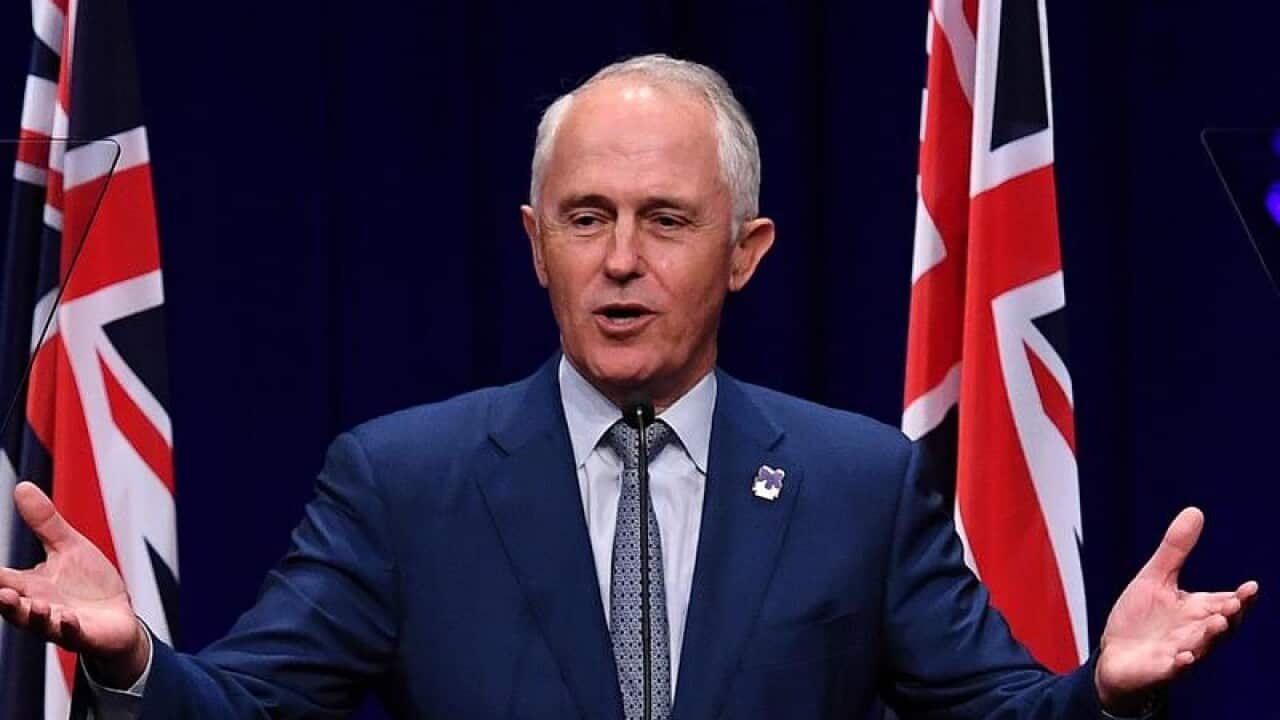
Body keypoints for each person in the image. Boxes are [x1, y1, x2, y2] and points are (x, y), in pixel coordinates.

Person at [0, 54, 1258, 719]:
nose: (617, 261)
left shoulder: (857, 484)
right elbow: (248, 707)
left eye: (664, 220)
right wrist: (131, 662)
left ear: (744, 253)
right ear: (533, 240)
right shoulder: (402, 482)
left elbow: (995, 717)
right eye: (584, 217)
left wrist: (1098, 694)